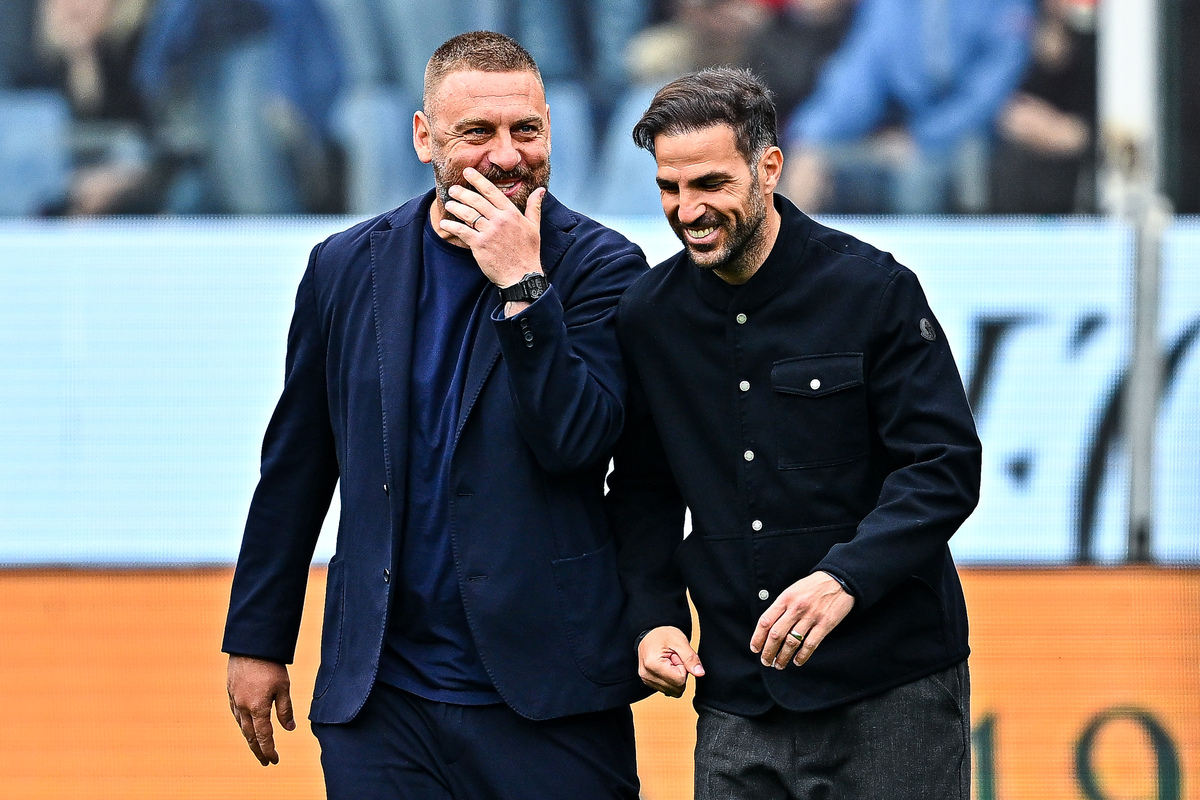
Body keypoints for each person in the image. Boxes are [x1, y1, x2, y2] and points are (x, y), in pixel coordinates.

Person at [223, 31, 651, 800]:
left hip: (549, 696)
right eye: (476, 133)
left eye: (526, 129)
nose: (506, 155)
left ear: (551, 125)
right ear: (425, 139)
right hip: (382, 699)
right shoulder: (345, 265)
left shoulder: (603, 267)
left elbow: (578, 441)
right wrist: (258, 637)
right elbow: (297, 464)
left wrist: (525, 290)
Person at [611, 67, 982, 799]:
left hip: (892, 687)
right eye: (669, 188)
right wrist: (652, 619)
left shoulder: (874, 289)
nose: (688, 210)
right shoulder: (646, 316)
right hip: (735, 699)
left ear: (769, 167)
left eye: (711, 184)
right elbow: (642, 492)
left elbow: (943, 465)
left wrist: (847, 577)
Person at [782, 0, 1032, 213]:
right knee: (812, 170)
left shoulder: (1003, 5)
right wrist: (810, 141)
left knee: (917, 181)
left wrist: (922, 138)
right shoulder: (889, 5)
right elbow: (858, 77)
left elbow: (989, 92)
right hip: (900, 135)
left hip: (978, 136)